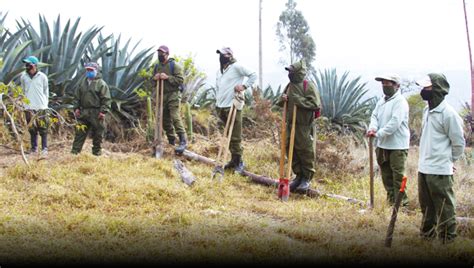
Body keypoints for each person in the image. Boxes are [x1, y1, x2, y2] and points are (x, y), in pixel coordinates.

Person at [416, 73, 465, 244]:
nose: (423, 91)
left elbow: (458, 143)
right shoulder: (426, 110)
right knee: (426, 206)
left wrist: (449, 161)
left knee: (445, 207)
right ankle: (426, 237)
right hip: (423, 168)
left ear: (437, 89)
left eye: (427, 87)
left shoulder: (448, 114)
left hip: (439, 170)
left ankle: (447, 241)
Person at [367, 74, 410, 207]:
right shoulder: (382, 101)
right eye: (383, 84)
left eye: (388, 84)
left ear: (397, 86)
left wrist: (378, 134)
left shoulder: (400, 102)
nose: (385, 86)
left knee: (398, 177)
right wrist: (373, 128)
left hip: (397, 145)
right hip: (382, 145)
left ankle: (402, 205)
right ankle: (391, 202)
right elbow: (374, 115)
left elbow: (395, 123)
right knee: (386, 176)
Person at [279, 59, 321, 192]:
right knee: (290, 149)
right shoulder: (289, 85)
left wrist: (298, 100)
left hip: (303, 125)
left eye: (291, 71)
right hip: (290, 124)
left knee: (305, 151)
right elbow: (281, 102)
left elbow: (315, 104)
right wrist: (282, 99)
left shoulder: (308, 86)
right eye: (288, 71)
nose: (289, 74)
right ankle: (298, 176)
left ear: (298, 72)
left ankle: (306, 178)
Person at [215, 47, 257, 173]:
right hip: (221, 106)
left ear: (230, 55)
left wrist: (243, 86)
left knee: (235, 136)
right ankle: (233, 160)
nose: (221, 57)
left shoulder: (237, 67)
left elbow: (253, 75)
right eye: (220, 54)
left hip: (233, 106)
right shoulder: (220, 71)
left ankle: (239, 162)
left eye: (223, 54)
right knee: (228, 135)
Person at [71, 62, 111, 156]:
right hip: (83, 111)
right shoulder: (82, 83)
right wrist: (76, 108)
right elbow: (77, 96)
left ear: (96, 71)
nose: (89, 72)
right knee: (79, 133)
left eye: (91, 70)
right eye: (87, 70)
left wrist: (103, 111)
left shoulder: (101, 84)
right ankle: (74, 153)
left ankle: (96, 154)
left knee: (98, 134)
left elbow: (106, 99)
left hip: (96, 112)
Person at [152, 45, 187, 154]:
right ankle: (171, 141)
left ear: (167, 54)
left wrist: (168, 77)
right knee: (164, 119)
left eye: (162, 53)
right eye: (158, 53)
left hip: (173, 95)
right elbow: (152, 81)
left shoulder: (174, 65)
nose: (160, 55)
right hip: (162, 95)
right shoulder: (156, 66)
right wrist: (155, 78)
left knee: (175, 117)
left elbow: (180, 80)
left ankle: (183, 140)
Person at [20, 55, 50, 157]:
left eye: (29, 64)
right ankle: (34, 148)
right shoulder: (23, 77)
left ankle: (44, 148)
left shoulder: (42, 77)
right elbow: (23, 91)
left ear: (34, 65)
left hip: (41, 106)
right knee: (32, 128)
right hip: (28, 107)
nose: (27, 66)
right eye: (26, 64)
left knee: (43, 128)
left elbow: (46, 91)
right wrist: (24, 104)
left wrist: (45, 104)